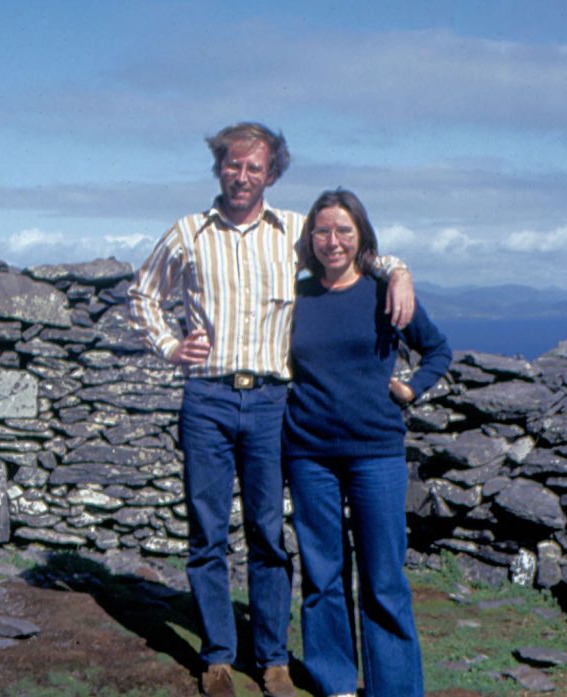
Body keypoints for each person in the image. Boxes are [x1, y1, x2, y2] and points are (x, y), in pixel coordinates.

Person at [128, 124, 416, 697]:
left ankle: (272, 659)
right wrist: (168, 346)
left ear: (272, 173)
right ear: (219, 168)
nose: (242, 176)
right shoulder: (188, 232)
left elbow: (352, 248)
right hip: (206, 399)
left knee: (266, 532)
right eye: (233, 165)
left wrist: (399, 270)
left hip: (269, 402)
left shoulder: (292, 232)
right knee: (207, 532)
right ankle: (216, 655)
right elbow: (142, 293)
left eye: (254, 168)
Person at [283, 189, 451, 697]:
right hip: (309, 452)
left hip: (376, 452)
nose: (332, 241)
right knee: (322, 575)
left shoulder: (386, 292)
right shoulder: (296, 297)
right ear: (310, 239)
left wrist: (412, 388)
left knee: (383, 578)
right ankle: (335, 684)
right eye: (323, 231)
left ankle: (394, 689)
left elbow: (438, 350)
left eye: (343, 231)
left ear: (361, 237)